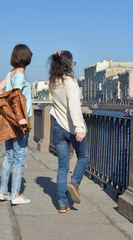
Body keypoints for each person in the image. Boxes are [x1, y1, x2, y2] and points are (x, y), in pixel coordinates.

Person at [48, 50, 89, 213]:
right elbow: (74, 108)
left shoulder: (53, 81)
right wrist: (79, 128)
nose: (73, 65)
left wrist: (55, 56)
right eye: (73, 63)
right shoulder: (70, 83)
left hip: (58, 127)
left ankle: (62, 204)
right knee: (84, 156)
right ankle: (74, 183)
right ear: (69, 65)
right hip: (72, 128)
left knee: (62, 166)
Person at [0, 44, 33, 205]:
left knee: (9, 157)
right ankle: (16, 195)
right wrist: (20, 118)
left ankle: (3, 191)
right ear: (25, 57)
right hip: (19, 122)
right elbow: (17, 98)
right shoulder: (20, 75)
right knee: (19, 159)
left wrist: (7, 112)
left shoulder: (10, 74)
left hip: (10, 122)